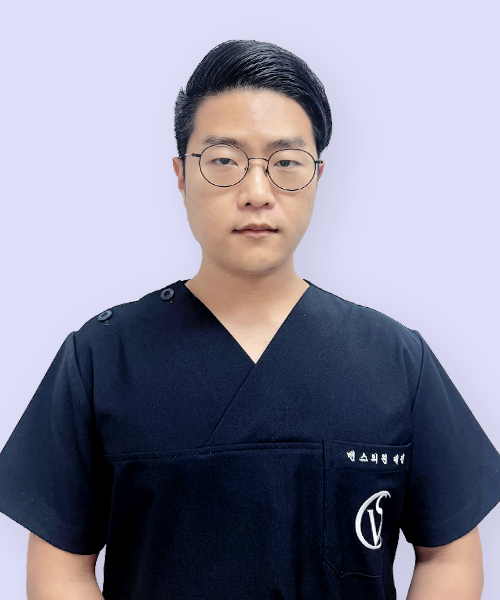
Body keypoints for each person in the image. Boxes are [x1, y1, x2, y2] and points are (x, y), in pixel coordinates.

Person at [0, 39, 498, 600]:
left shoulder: (396, 359)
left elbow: (447, 554)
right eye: (224, 161)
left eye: (286, 163)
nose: (256, 192)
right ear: (181, 175)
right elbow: (62, 569)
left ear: (317, 175)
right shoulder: (99, 358)